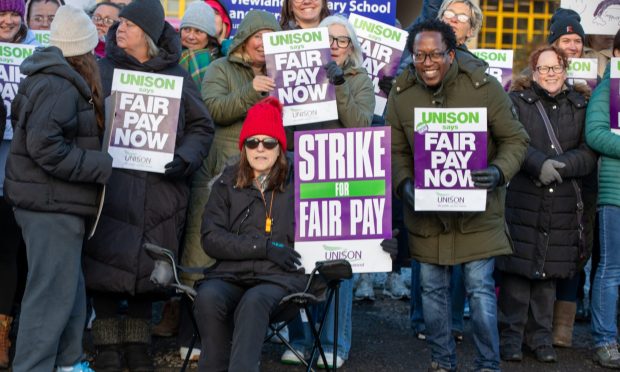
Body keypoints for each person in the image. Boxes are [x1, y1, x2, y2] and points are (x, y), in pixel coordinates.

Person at [387, 19, 529, 372]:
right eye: (419, 55)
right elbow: (395, 151)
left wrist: (497, 172)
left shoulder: (484, 87)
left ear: (451, 54)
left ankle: (487, 364)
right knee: (432, 293)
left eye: (435, 54)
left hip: (477, 216)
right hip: (427, 217)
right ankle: (442, 361)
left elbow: (516, 139)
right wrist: (404, 185)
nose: (427, 62)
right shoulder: (401, 96)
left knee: (480, 292)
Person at [82, 0, 214, 370]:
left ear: (149, 34)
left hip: (161, 188)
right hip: (113, 183)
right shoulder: (102, 69)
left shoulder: (177, 75)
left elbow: (202, 127)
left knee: (148, 263)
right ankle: (107, 346)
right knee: (105, 259)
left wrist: (184, 158)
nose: (118, 29)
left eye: (128, 24)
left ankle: (138, 344)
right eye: (118, 23)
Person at [5, 5, 112, 371]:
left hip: (51, 203)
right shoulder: (58, 84)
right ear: (85, 49)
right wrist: (98, 165)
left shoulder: (50, 77)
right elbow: (44, 146)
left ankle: (69, 362)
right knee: (50, 296)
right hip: (50, 205)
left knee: (69, 291)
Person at [178, 9, 279, 361]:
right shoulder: (221, 68)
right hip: (219, 175)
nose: (263, 45)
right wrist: (251, 92)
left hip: (267, 181)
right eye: (258, 36)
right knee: (202, 249)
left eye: (271, 38)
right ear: (245, 37)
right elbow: (212, 109)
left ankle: (240, 339)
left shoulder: (285, 73)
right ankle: (191, 336)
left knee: (250, 253)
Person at [281, 14, 375, 369]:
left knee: (338, 261)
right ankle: (300, 338)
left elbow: (360, 124)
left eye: (341, 40)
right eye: (328, 40)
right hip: (298, 174)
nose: (334, 46)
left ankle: (335, 341)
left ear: (350, 47)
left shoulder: (359, 80)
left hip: (341, 177)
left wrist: (335, 86)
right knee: (294, 257)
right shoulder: (296, 76)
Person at [496, 45, 596, 364]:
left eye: (556, 68)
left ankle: (540, 336)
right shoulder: (517, 102)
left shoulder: (581, 105)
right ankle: (511, 336)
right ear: (533, 72)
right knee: (517, 271)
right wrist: (538, 164)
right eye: (543, 68)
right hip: (524, 195)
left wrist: (561, 166)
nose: (550, 74)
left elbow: (588, 150)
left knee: (548, 272)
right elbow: (510, 140)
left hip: (562, 198)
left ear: (565, 70)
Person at [194, 96, 307, 372]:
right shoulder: (227, 181)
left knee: (254, 301)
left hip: (280, 277)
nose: (260, 148)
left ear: (280, 147)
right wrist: (263, 247)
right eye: (252, 142)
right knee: (208, 296)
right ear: (242, 147)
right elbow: (211, 238)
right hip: (231, 273)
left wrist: (375, 244)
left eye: (268, 142)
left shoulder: (302, 181)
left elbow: (338, 221)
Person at [543, 7, 599, 349]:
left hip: (581, 179)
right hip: (545, 178)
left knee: (576, 250)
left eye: (578, 40)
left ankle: (562, 329)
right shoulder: (537, 74)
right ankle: (540, 323)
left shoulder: (599, 76)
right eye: (566, 39)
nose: (573, 46)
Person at [0, 0, 39, 367]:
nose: (9, 20)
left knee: (12, 251)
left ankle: (7, 333)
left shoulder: (35, 52)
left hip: (18, 165)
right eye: (2, 14)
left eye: (14, 14)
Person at [586, 28, 620, 369]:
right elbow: (594, 134)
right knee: (611, 270)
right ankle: (605, 340)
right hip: (616, 194)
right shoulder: (608, 88)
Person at [178, 1, 217, 86]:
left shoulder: (219, 63)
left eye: (198, 31)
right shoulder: (168, 56)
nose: (191, 37)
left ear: (209, 36)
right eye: (187, 29)